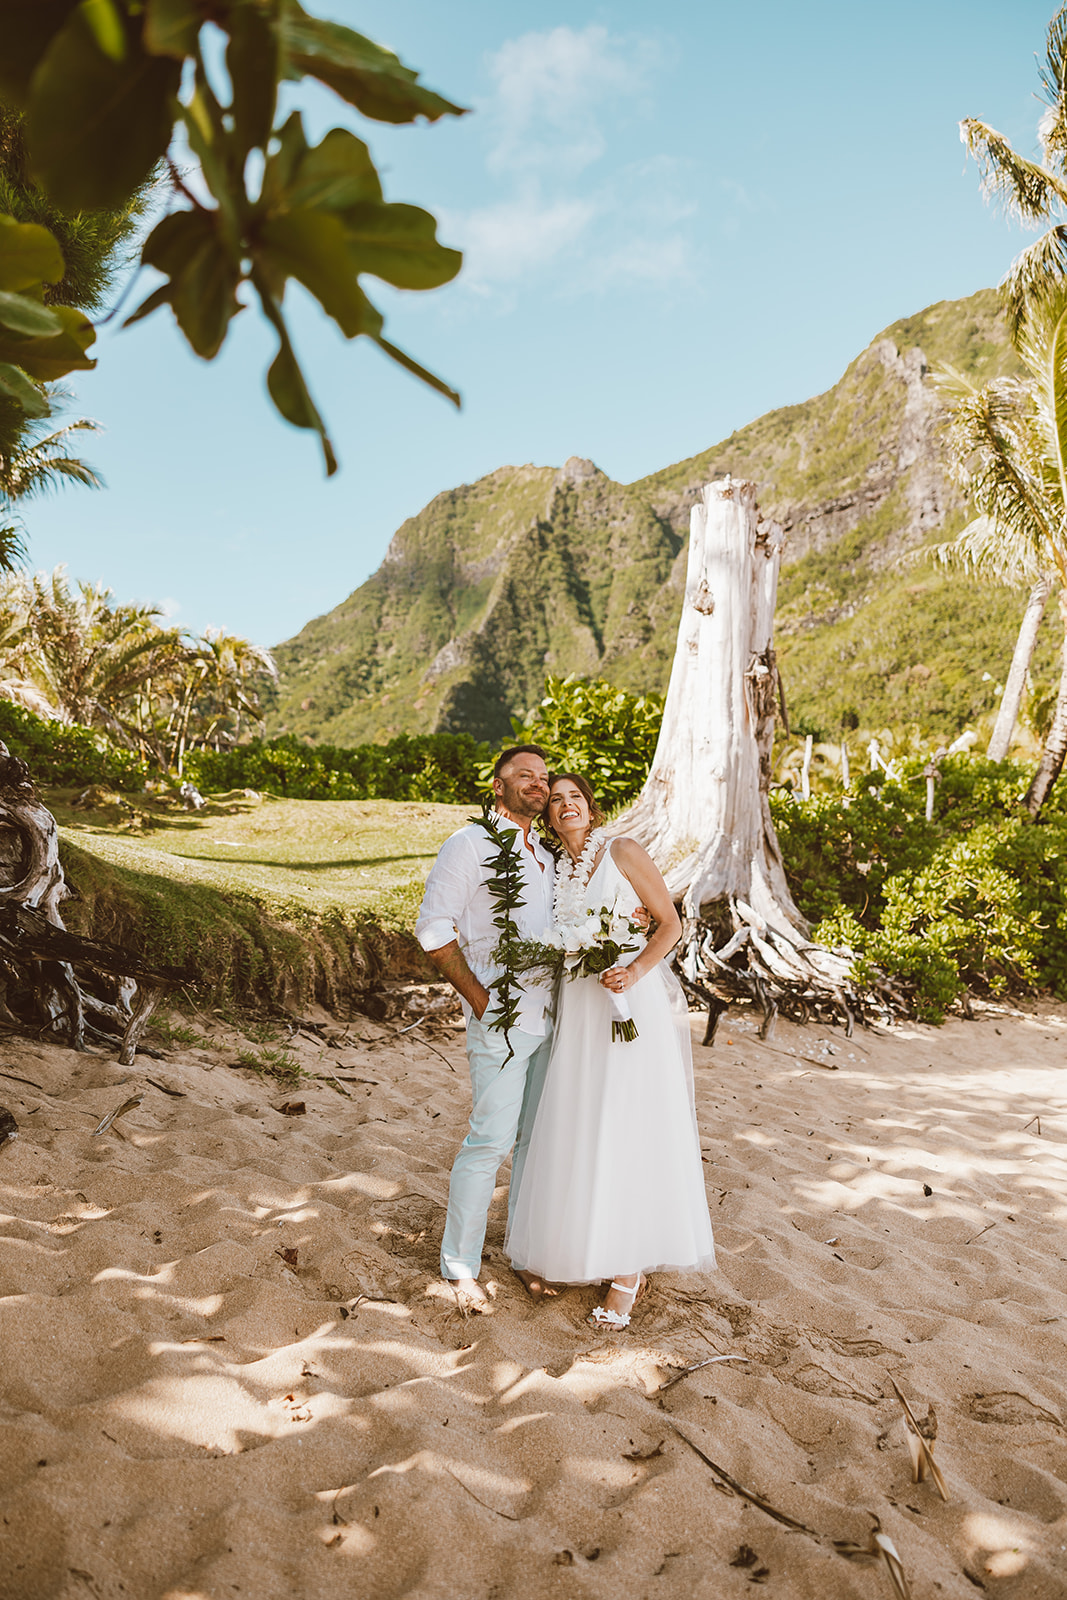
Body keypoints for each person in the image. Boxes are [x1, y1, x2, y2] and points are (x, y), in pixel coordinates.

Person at [506, 772, 716, 1328]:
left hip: (628, 1001)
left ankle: (628, 1270)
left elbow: (669, 924)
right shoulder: (555, 871)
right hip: (580, 1007)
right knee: (585, 1122)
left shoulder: (622, 850)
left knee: (628, 1122)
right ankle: (592, 1243)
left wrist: (635, 970)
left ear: (590, 808)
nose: (566, 806)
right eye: (556, 801)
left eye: (575, 797)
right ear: (549, 817)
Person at [416, 745, 556, 1309]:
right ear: (497, 786)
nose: (538, 784)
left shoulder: (547, 855)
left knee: (535, 1143)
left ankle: (524, 1254)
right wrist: (479, 999)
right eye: (524, 775)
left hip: (555, 1018)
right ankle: (460, 1266)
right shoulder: (469, 844)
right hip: (502, 1018)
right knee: (490, 1141)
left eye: (543, 777)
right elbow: (433, 928)